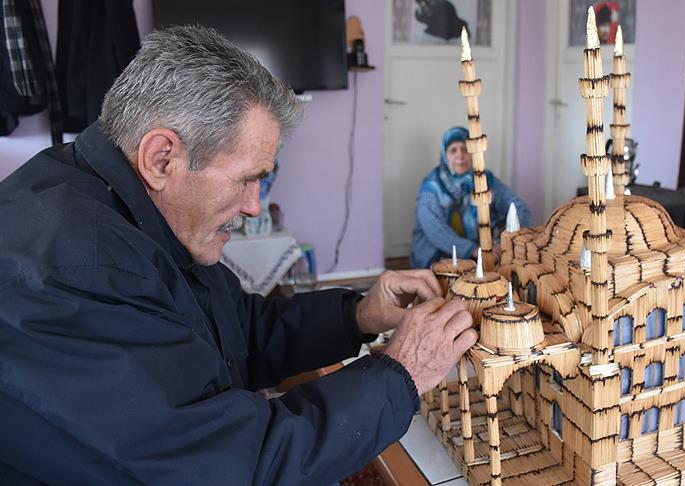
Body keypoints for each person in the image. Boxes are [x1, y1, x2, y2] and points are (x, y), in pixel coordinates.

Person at [0, 26, 476, 485]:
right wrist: (402, 372)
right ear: (161, 158)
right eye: (247, 179)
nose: (253, 205)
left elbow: (238, 328)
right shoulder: (73, 271)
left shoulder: (130, 209)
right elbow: (228, 465)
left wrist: (359, 314)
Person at [410, 126, 532, 269]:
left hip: (484, 249)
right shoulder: (431, 186)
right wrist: (473, 250)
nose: (460, 155)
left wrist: (506, 243)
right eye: (453, 150)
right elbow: (434, 229)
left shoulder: (484, 178)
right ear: (444, 155)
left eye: (465, 149)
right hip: (441, 251)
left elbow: (519, 207)